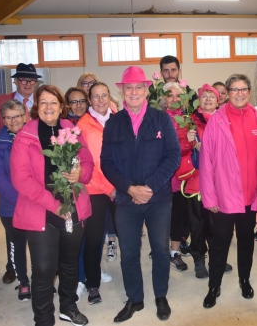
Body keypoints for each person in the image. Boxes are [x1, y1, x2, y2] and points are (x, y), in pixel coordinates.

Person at [100, 66, 180, 323]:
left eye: (138, 87)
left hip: (158, 199)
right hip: (126, 200)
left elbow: (173, 156)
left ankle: (160, 296)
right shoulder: (113, 123)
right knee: (129, 252)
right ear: (121, 91)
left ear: (146, 90)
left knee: (159, 249)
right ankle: (135, 299)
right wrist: (129, 189)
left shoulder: (161, 119)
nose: (133, 92)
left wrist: (149, 187)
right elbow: (106, 162)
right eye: (128, 87)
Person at [11, 84, 94, 326]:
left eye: (54, 102)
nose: (49, 107)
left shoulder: (71, 130)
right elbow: (21, 179)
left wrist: (80, 172)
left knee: (69, 263)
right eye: (44, 102)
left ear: (61, 107)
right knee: (44, 269)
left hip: (73, 207)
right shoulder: (26, 136)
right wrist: (53, 205)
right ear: (37, 106)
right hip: (41, 210)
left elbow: (87, 162)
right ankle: (44, 319)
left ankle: (68, 307)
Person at [199, 74, 257, 309]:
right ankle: (214, 286)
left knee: (247, 241)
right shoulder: (216, 121)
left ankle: (244, 280)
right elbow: (206, 162)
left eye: (243, 89)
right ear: (227, 93)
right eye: (234, 90)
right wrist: (209, 197)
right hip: (224, 198)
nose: (239, 94)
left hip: (250, 197)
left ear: (249, 92)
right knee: (220, 243)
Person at [76, 82, 116, 305]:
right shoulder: (82, 125)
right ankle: (92, 285)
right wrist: (109, 189)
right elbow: (87, 164)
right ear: (89, 100)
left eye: (104, 95)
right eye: (96, 96)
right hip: (95, 189)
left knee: (129, 237)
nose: (101, 100)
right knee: (93, 240)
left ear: (110, 97)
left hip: (121, 186)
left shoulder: (119, 118)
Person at [188, 84, 234, 278]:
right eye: (204, 96)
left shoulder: (225, 120)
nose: (207, 99)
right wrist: (188, 141)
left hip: (220, 182)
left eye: (211, 96)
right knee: (198, 224)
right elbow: (179, 149)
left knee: (218, 224)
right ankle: (199, 259)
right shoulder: (189, 122)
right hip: (196, 181)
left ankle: (217, 258)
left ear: (219, 100)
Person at [0, 100, 30, 299]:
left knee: (41, 247)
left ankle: (43, 282)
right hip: (11, 207)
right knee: (17, 246)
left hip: (36, 205)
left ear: (24, 116)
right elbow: (0, 181)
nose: (13, 120)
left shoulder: (35, 138)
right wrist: (23, 201)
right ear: (3, 120)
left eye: (17, 116)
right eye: (8, 117)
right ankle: (23, 281)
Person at [162, 82, 194, 272]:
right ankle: (164, 251)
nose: (174, 100)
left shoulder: (188, 119)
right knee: (163, 217)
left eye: (177, 96)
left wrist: (190, 142)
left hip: (183, 175)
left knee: (180, 216)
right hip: (164, 176)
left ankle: (175, 251)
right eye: (170, 95)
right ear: (164, 99)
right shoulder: (158, 119)